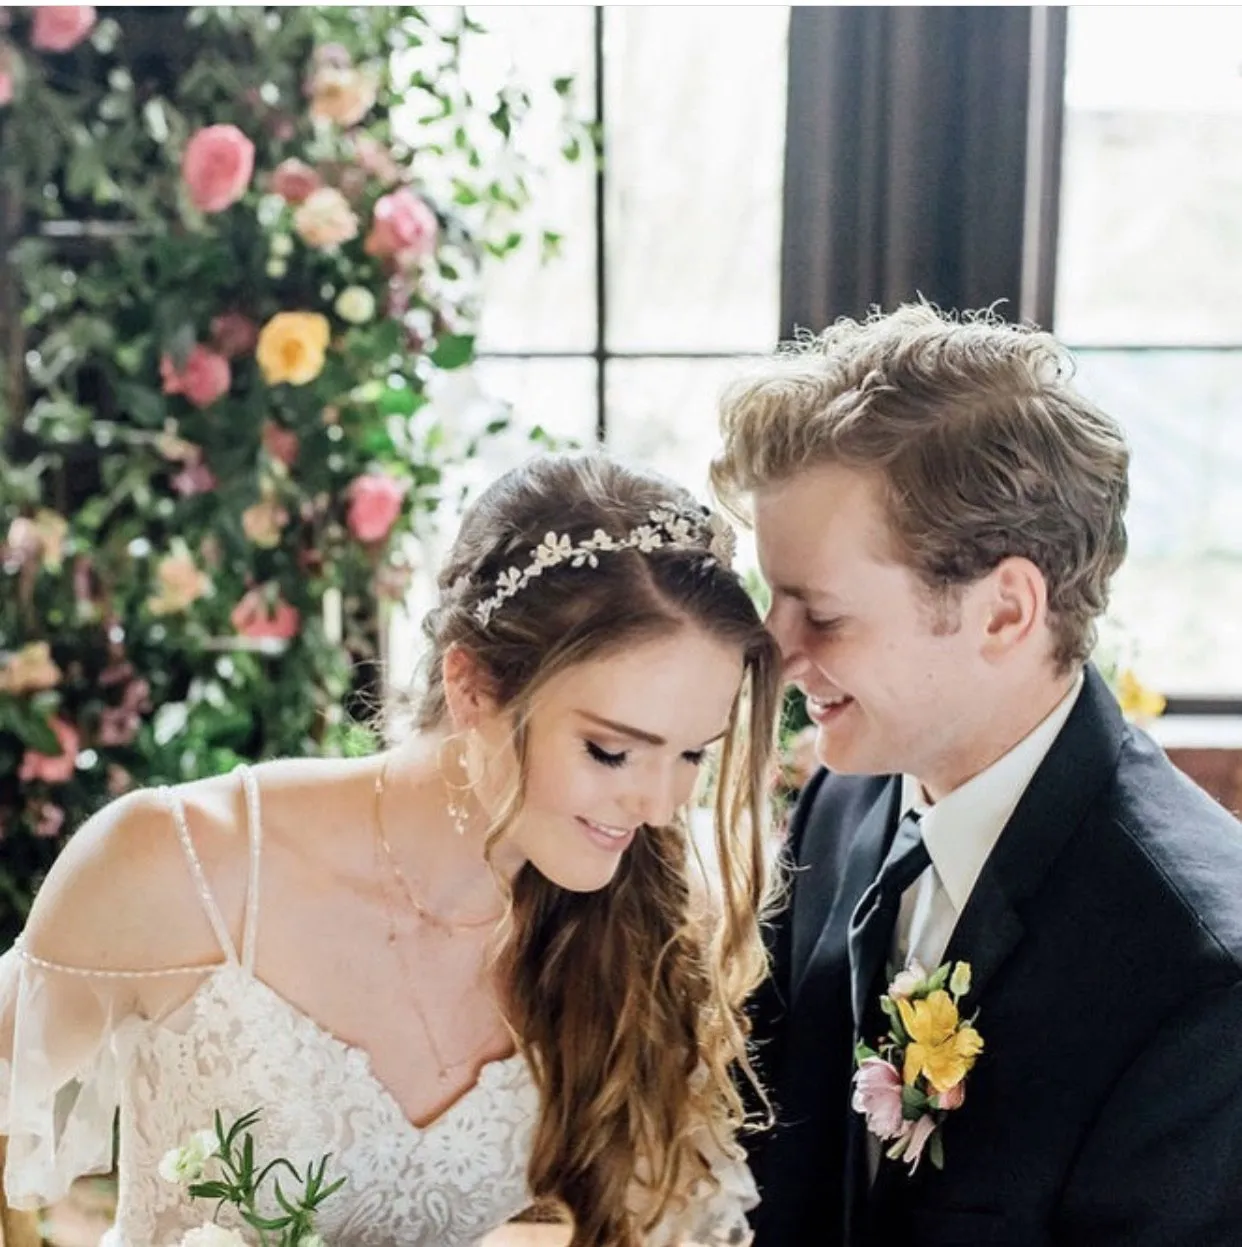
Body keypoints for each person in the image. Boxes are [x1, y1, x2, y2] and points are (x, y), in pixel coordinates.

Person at [0, 452, 783, 1247]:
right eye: (611, 752)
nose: (657, 806)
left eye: (693, 755)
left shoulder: (647, 929)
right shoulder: (178, 862)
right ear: (472, 685)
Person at [711, 304, 1242, 1246]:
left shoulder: (1202, 984)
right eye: (771, 599)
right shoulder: (847, 799)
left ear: (1003, 611)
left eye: (822, 613)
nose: (777, 653)